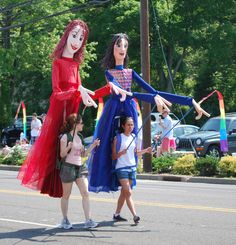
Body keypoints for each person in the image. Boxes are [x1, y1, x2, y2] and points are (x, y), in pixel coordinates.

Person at [88, 33, 209, 193]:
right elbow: (127, 93)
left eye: (125, 45)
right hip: (114, 110)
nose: (122, 49)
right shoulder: (109, 73)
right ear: (113, 49)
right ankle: (109, 177)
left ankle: (125, 178)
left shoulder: (130, 72)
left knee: (131, 143)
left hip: (129, 109)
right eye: (118, 45)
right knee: (108, 144)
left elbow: (155, 92)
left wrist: (190, 101)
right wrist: (152, 97)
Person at [17, 19, 110, 197]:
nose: (77, 41)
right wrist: (77, 91)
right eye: (74, 35)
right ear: (67, 35)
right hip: (59, 113)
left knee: (70, 154)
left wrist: (105, 90)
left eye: (81, 38)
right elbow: (56, 93)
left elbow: (83, 92)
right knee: (56, 153)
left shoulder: (75, 65)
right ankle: (58, 191)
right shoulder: (58, 63)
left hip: (72, 114)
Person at [59, 113, 99, 229]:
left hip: (80, 167)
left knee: (85, 193)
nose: (83, 125)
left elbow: (84, 154)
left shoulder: (80, 137)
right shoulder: (65, 137)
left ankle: (88, 220)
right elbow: (62, 154)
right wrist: (68, 147)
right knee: (66, 195)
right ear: (75, 124)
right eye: (81, 123)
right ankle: (65, 219)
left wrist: (94, 145)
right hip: (68, 168)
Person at [112, 116, 152, 224]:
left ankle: (116, 214)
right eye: (128, 125)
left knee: (124, 193)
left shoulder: (134, 137)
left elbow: (136, 153)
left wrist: (146, 151)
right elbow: (113, 156)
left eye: (132, 125)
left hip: (132, 168)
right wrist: (121, 153)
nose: (131, 127)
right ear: (123, 126)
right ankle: (135, 216)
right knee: (128, 192)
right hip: (121, 168)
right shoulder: (118, 138)